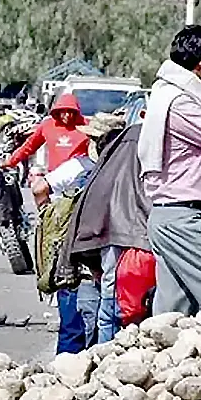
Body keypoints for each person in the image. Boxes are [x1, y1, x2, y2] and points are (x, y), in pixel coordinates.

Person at [3, 92, 96, 353]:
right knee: (61, 263)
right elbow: (29, 147)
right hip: (55, 192)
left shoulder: (84, 128)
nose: (66, 116)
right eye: (62, 111)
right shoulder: (47, 126)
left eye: (71, 112)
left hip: (78, 192)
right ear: (56, 111)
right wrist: (10, 162)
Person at [138, 24, 201, 316]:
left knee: (173, 313)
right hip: (186, 219)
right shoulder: (181, 101)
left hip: (174, 217)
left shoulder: (169, 95)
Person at [64, 123, 152, 344]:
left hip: (111, 249)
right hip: (138, 248)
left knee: (109, 307)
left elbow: (86, 218)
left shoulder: (104, 170)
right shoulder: (142, 163)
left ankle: (106, 356)